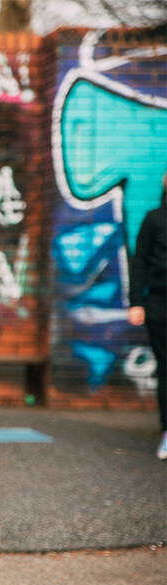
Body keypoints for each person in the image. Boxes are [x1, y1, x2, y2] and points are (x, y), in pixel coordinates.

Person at [128, 175, 167, 460]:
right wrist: (136, 302)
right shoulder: (154, 219)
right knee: (166, 369)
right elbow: (139, 260)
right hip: (160, 304)